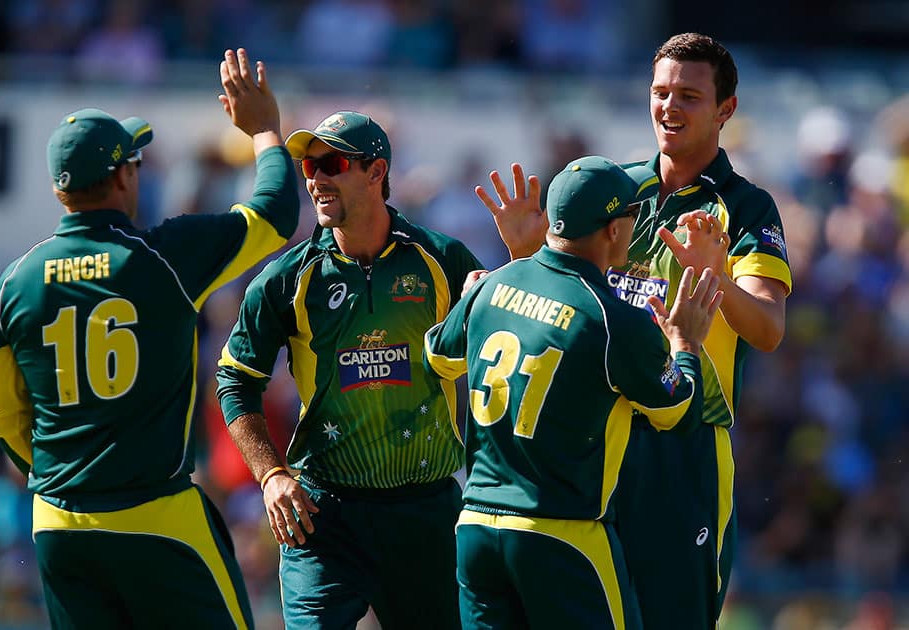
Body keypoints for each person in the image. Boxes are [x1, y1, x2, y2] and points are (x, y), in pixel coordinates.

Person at [0, 48, 298, 629]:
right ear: (123, 175)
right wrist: (265, 130)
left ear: (59, 192)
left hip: (59, 525)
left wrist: (59, 474)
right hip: (159, 519)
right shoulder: (163, 258)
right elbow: (275, 213)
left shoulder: (14, 282)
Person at [422, 155, 723, 629]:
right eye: (631, 215)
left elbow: (438, 357)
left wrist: (467, 301)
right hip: (563, 535)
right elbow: (678, 413)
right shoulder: (611, 318)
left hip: (476, 528)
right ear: (612, 230)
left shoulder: (492, 284)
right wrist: (684, 343)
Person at [215, 110, 482, 629]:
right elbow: (236, 382)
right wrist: (270, 476)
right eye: (308, 167)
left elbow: (505, 359)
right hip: (322, 517)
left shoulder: (443, 260)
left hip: (425, 512)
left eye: (331, 163)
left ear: (377, 172)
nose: (315, 178)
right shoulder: (286, 280)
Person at [606, 33, 793, 629]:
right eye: (661, 92)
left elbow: (767, 328)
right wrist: (525, 249)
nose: (669, 107)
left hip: (686, 443)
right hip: (599, 434)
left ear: (725, 110)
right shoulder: (616, 191)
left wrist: (716, 278)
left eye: (689, 95)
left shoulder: (747, 207)